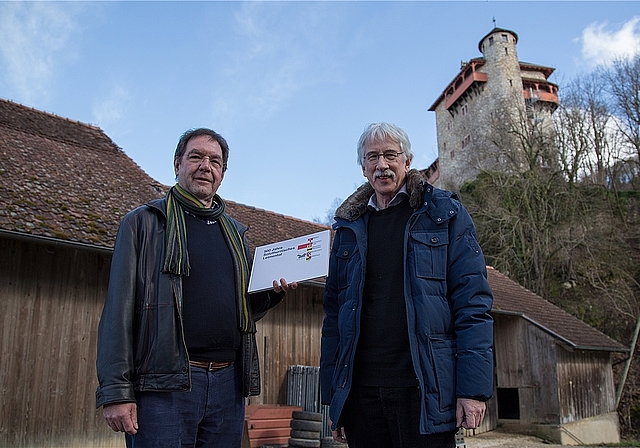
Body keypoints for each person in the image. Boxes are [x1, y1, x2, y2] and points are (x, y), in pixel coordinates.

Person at [96, 128, 296, 448]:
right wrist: (116, 393)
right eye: (196, 157)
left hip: (228, 385)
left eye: (215, 161)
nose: (206, 165)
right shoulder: (144, 224)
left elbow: (240, 311)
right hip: (165, 387)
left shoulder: (235, 235)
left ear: (222, 174)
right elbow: (117, 314)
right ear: (178, 164)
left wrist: (272, 292)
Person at [319, 122, 494, 448]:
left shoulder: (443, 213)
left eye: (390, 155)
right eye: (372, 157)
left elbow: (473, 304)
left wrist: (472, 390)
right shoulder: (348, 228)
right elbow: (334, 318)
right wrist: (335, 400)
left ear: (407, 161)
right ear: (363, 168)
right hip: (362, 396)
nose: (382, 165)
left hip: (424, 390)